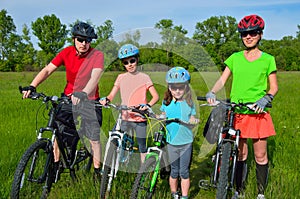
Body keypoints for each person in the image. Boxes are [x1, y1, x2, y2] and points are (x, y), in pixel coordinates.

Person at [206, 14, 278, 199]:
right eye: (244, 34)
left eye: (252, 33)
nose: (248, 37)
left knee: (260, 155)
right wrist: (212, 92)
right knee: (241, 154)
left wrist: (266, 98)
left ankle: (261, 193)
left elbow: (274, 86)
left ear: (260, 34)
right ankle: (239, 190)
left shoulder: (268, 59)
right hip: (237, 112)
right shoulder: (235, 58)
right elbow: (223, 79)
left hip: (257, 113)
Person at [21, 21, 104, 178]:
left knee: (94, 139)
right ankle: (56, 167)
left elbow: (95, 77)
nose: (84, 43)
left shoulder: (97, 55)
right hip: (68, 98)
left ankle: (97, 172)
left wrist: (83, 93)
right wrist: (32, 86)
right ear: (74, 39)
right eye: (80, 39)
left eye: (88, 40)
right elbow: (48, 69)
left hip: (90, 100)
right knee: (58, 133)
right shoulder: (66, 53)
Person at [99, 44, 159, 162]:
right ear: (123, 64)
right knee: (114, 138)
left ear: (137, 60)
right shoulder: (121, 77)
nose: (130, 64)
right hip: (125, 116)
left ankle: (142, 173)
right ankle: (110, 166)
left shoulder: (144, 77)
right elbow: (111, 95)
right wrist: (106, 99)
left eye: (132, 61)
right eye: (126, 62)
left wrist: (147, 106)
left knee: (142, 147)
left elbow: (155, 96)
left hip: (139, 118)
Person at [160, 67, 199, 199]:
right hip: (171, 142)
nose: (177, 91)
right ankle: (174, 193)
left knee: (184, 171)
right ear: (169, 88)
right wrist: (160, 116)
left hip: (186, 143)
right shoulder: (166, 102)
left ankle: (185, 196)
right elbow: (163, 113)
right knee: (174, 171)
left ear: (186, 87)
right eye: (174, 87)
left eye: (181, 87)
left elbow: (192, 117)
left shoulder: (189, 103)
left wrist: (193, 120)